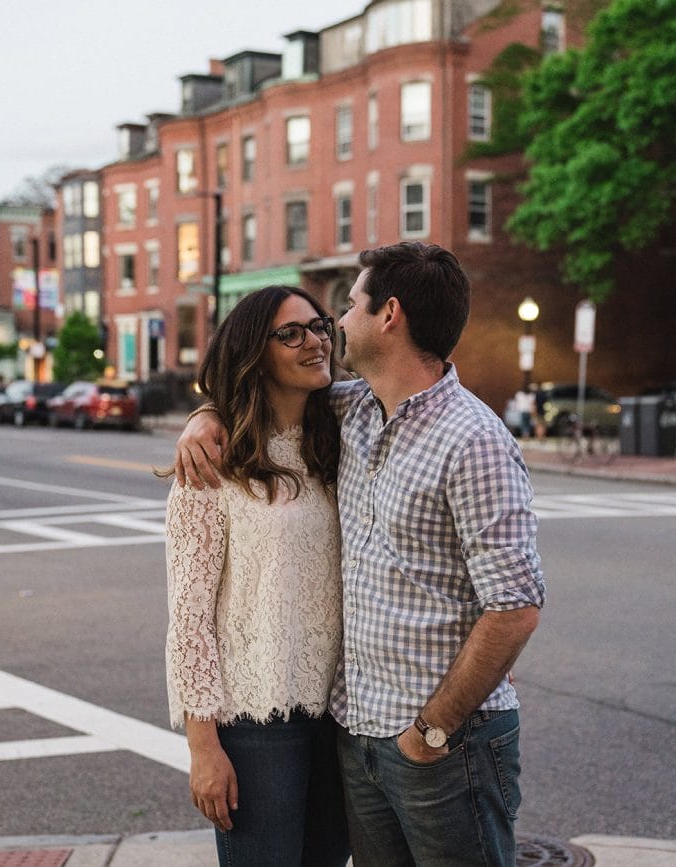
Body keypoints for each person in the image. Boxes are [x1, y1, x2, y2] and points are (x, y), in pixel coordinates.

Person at [175, 242, 545, 867]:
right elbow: (260, 397)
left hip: (439, 744)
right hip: (358, 736)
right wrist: (205, 416)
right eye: (301, 329)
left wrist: (432, 731)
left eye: (341, 311)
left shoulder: (473, 439)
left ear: (389, 315)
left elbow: (514, 606)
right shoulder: (353, 412)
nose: (333, 328)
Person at [160, 285, 350, 867]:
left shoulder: (345, 430)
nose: (314, 341)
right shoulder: (212, 463)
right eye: (290, 333)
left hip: (343, 717)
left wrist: (205, 410)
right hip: (255, 719)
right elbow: (189, 618)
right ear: (252, 353)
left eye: (318, 326)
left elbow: (425, 382)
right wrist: (203, 747)